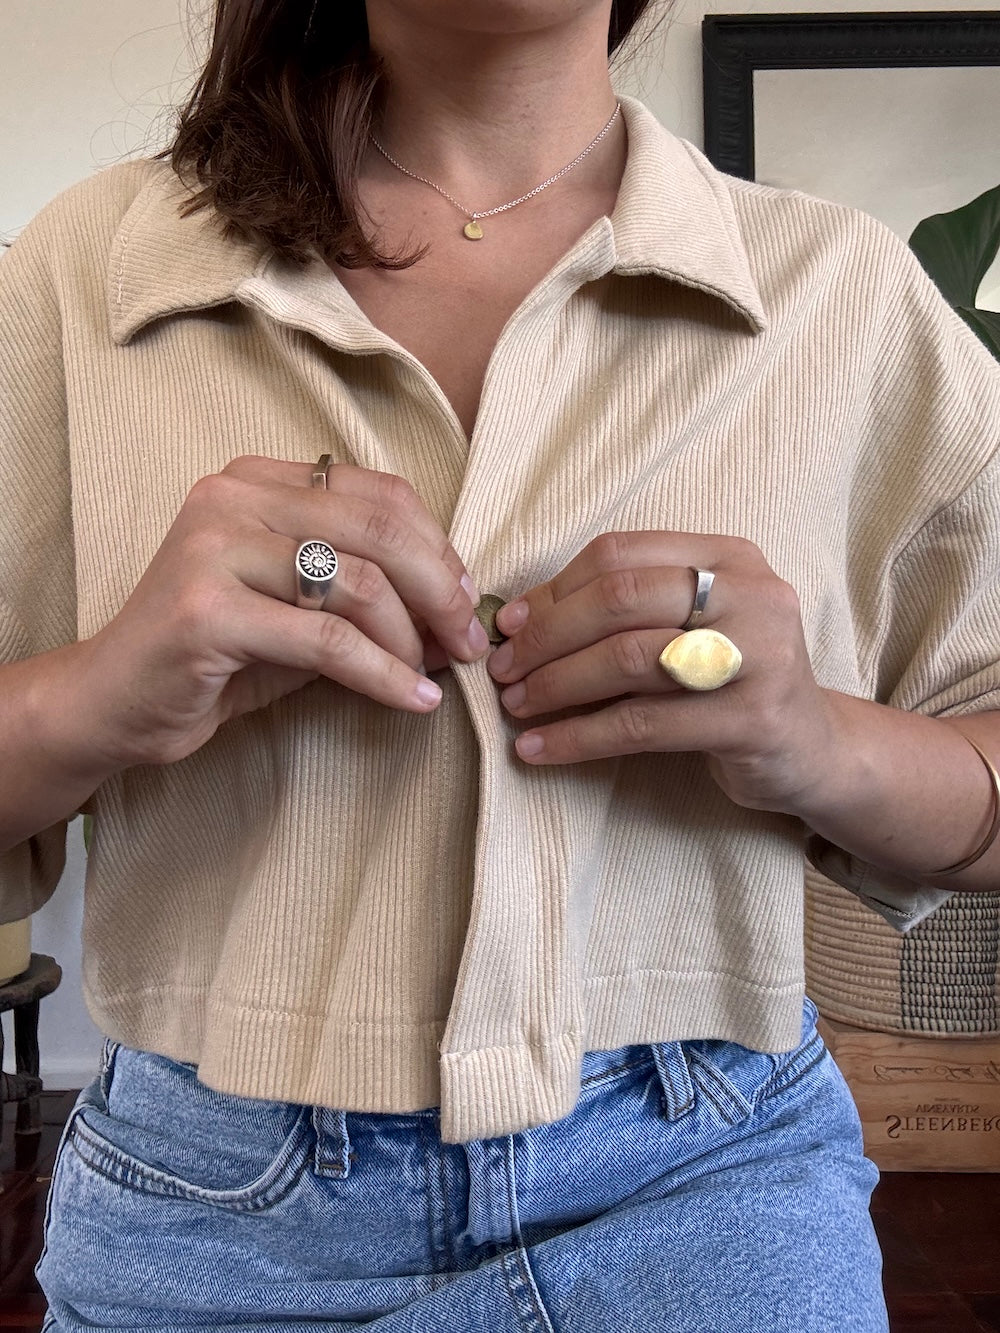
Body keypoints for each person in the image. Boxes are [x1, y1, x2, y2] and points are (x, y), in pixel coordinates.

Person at [2, 1, 999, 1328]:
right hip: (210, 1234)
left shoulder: (844, 298)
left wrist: (816, 738)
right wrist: (104, 685)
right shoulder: (82, 279)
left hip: (711, 1197)